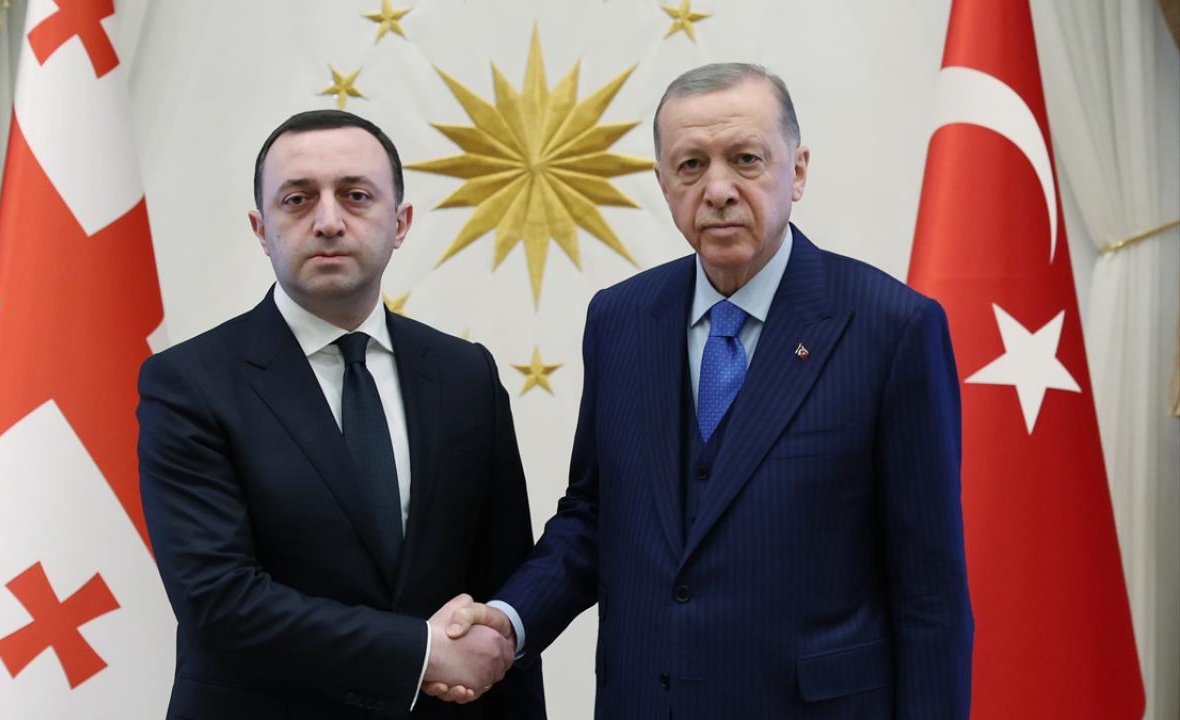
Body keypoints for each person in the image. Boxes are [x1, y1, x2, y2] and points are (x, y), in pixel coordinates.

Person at [431, 63, 973, 718]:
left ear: (797, 171)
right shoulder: (620, 319)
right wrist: (509, 620)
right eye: (691, 166)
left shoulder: (892, 328)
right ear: (663, 183)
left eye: (746, 160)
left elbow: (930, 596)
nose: (717, 190)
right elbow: (594, 517)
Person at [137, 109, 545, 720]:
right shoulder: (188, 383)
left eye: (356, 196)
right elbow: (218, 600)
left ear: (400, 223)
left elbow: (500, 593)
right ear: (261, 228)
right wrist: (420, 652)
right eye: (297, 199)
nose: (328, 221)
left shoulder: (465, 376)